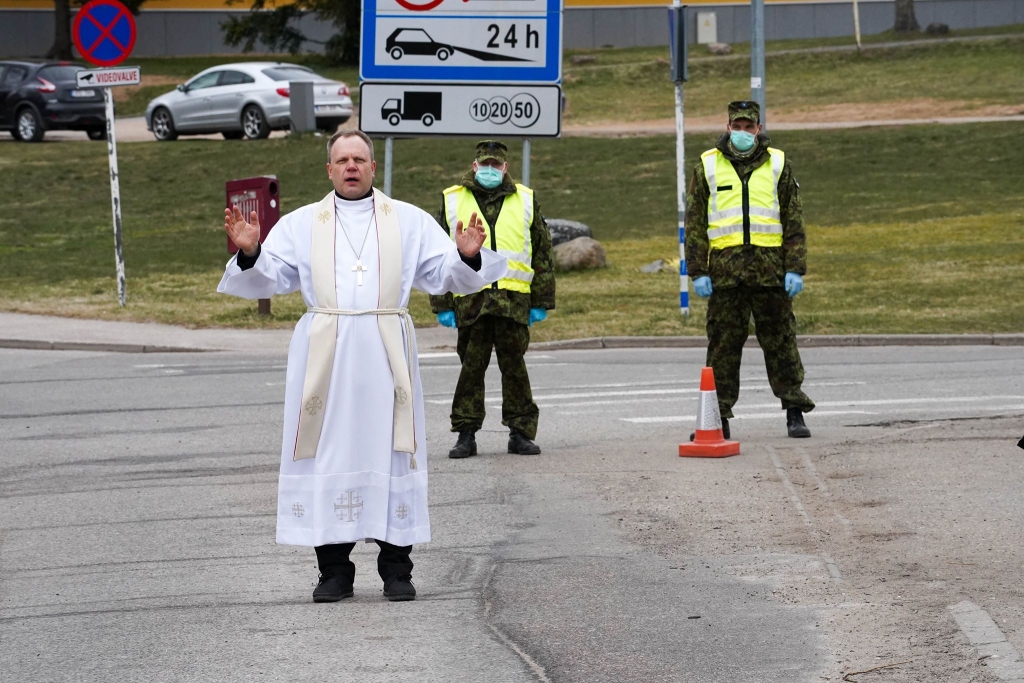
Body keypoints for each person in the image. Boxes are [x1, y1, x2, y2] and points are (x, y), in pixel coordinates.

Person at [217, 130, 507, 603]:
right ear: (329, 170)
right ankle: (333, 572)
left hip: (385, 349)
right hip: (325, 354)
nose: (351, 166)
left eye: (359, 159)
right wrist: (251, 252)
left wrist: (467, 255)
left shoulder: (408, 221)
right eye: (342, 160)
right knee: (327, 452)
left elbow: (443, 275)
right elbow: (273, 277)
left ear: (373, 167)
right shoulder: (302, 223)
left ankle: (397, 571)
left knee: (392, 449)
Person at [685, 101, 814, 439]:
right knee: (723, 348)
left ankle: (794, 411)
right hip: (725, 276)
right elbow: (695, 223)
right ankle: (718, 417)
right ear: (728, 128)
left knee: (782, 343)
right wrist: (697, 271)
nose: (742, 132)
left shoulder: (778, 164)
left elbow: (793, 220)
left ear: (759, 129)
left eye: (749, 127)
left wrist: (795, 268)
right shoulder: (707, 165)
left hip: (770, 273)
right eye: (737, 126)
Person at [430, 140, 556, 458]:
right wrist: (442, 303)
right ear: (474, 166)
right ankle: (466, 434)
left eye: (495, 165)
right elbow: (436, 255)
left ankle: (521, 433)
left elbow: (542, 251)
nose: (490, 169)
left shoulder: (525, 199)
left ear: (505, 167)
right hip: (471, 302)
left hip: (513, 302)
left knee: (515, 369)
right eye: (484, 164)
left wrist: (541, 300)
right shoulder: (452, 199)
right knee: (471, 370)